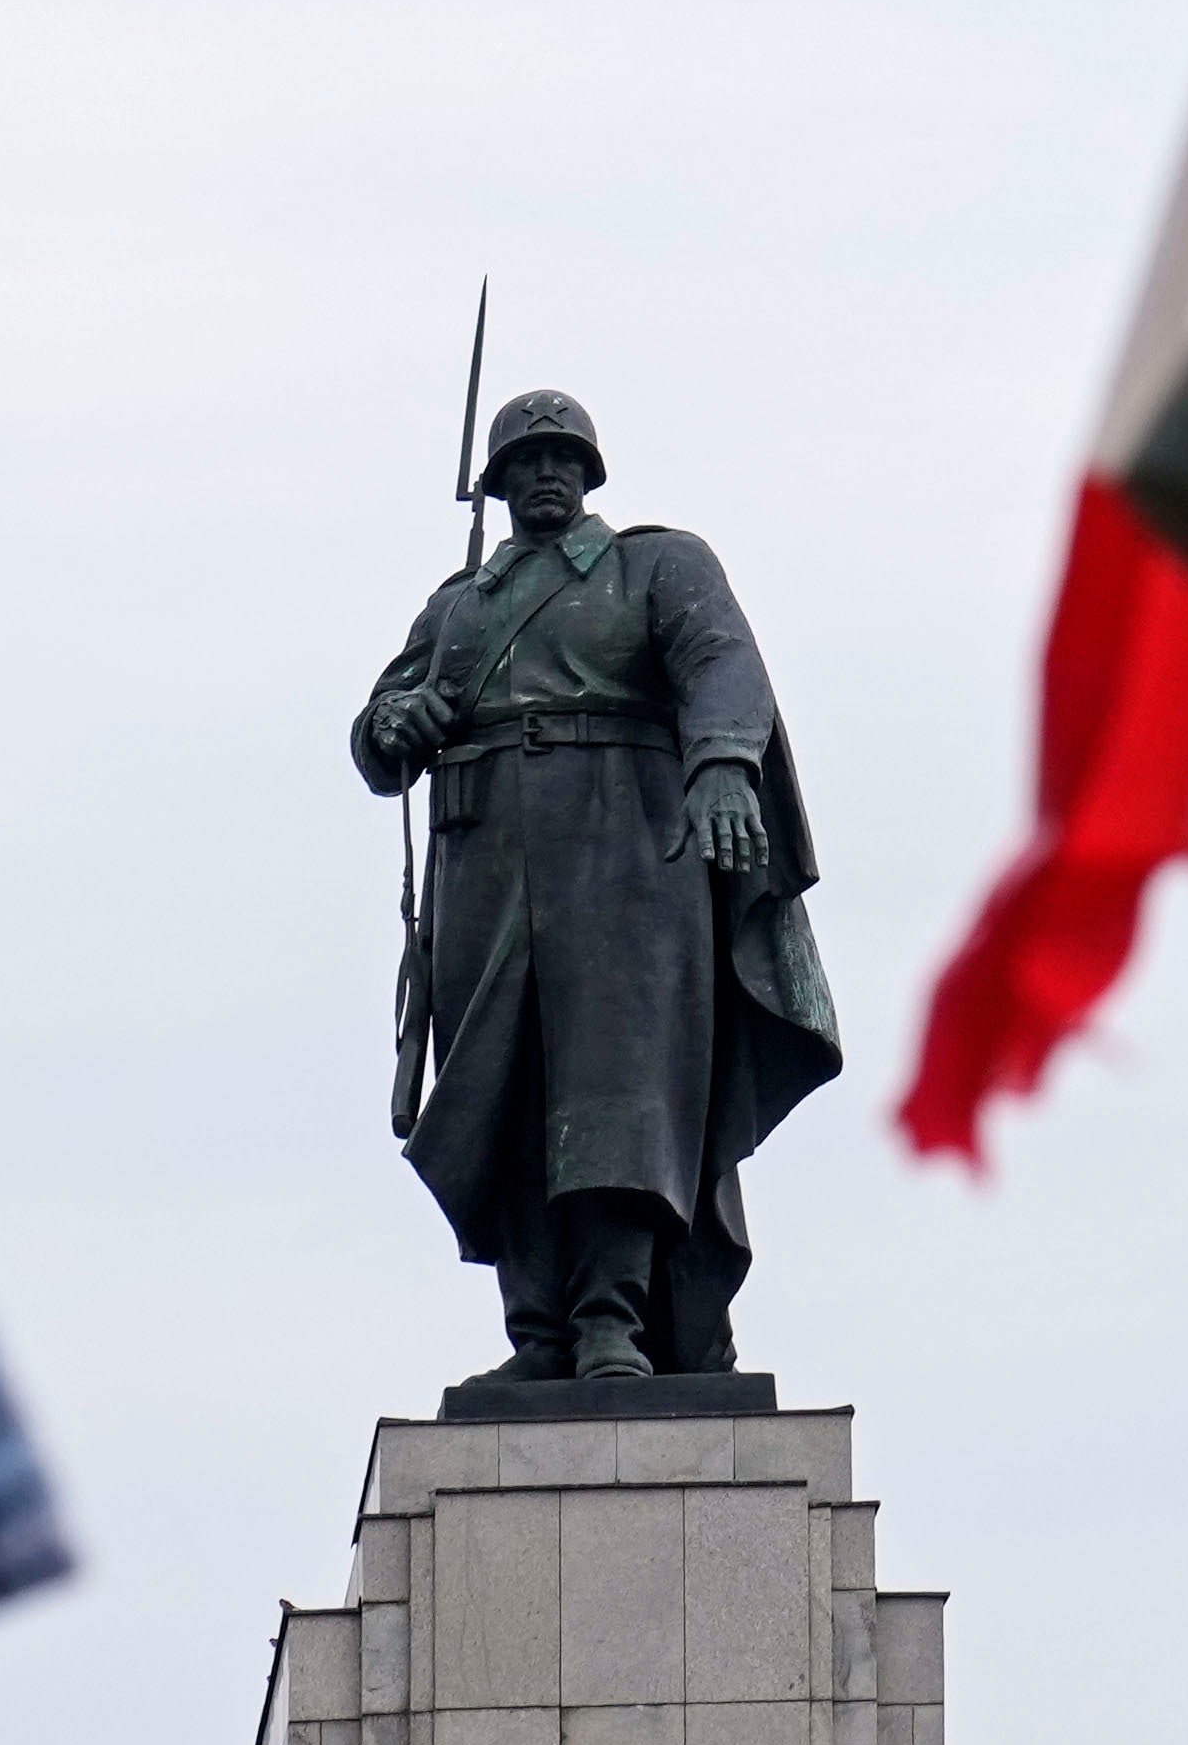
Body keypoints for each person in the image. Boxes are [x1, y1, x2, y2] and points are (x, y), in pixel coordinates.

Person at [351, 389, 840, 1383]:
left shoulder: (655, 564)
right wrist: (391, 727)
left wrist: (719, 765)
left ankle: (612, 1320)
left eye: (562, 458)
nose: (544, 474)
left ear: (590, 473)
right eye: (524, 462)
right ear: (494, 481)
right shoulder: (458, 606)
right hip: (483, 854)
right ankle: (536, 1332)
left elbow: (720, 660)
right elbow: (381, 731)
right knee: (504, 1089)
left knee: (616, 1090)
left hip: (625, 849)